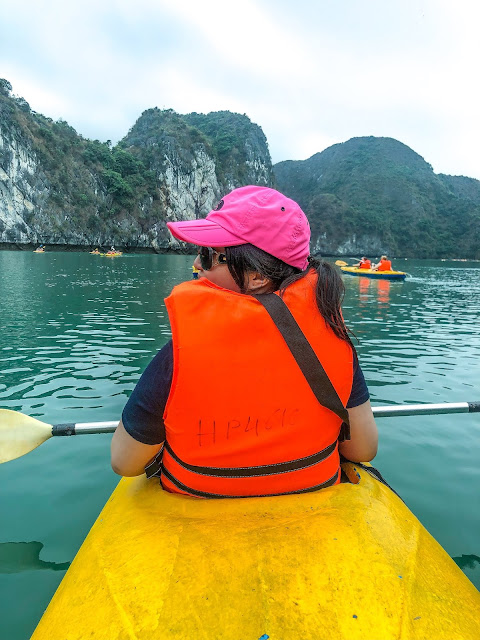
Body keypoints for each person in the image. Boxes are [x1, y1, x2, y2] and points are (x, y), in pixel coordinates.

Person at [111, 186, 378, 498]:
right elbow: (363, 448)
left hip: (199, 504)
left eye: (208, 255)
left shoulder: (180, 354)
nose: (196, 263)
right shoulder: (333, 338)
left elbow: (125, 461)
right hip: (312, 497)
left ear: (256, 277)